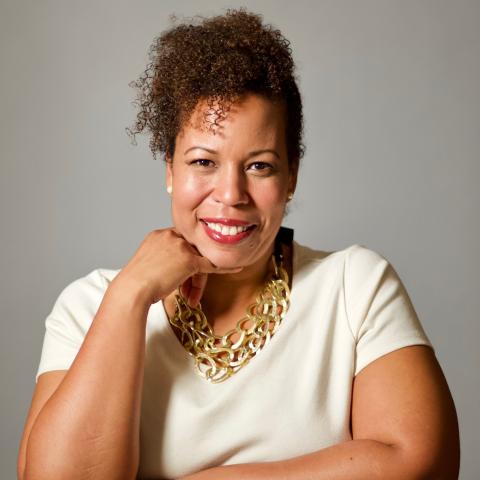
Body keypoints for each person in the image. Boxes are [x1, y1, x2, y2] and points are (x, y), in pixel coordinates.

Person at [18, 8, 460, 480]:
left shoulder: (355, 288)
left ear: (291, 178)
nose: (230, 195)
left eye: (259, 166)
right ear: (170, 170)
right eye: (204, 162)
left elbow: (420, 463)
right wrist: (128, 298)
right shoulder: (88, 308)